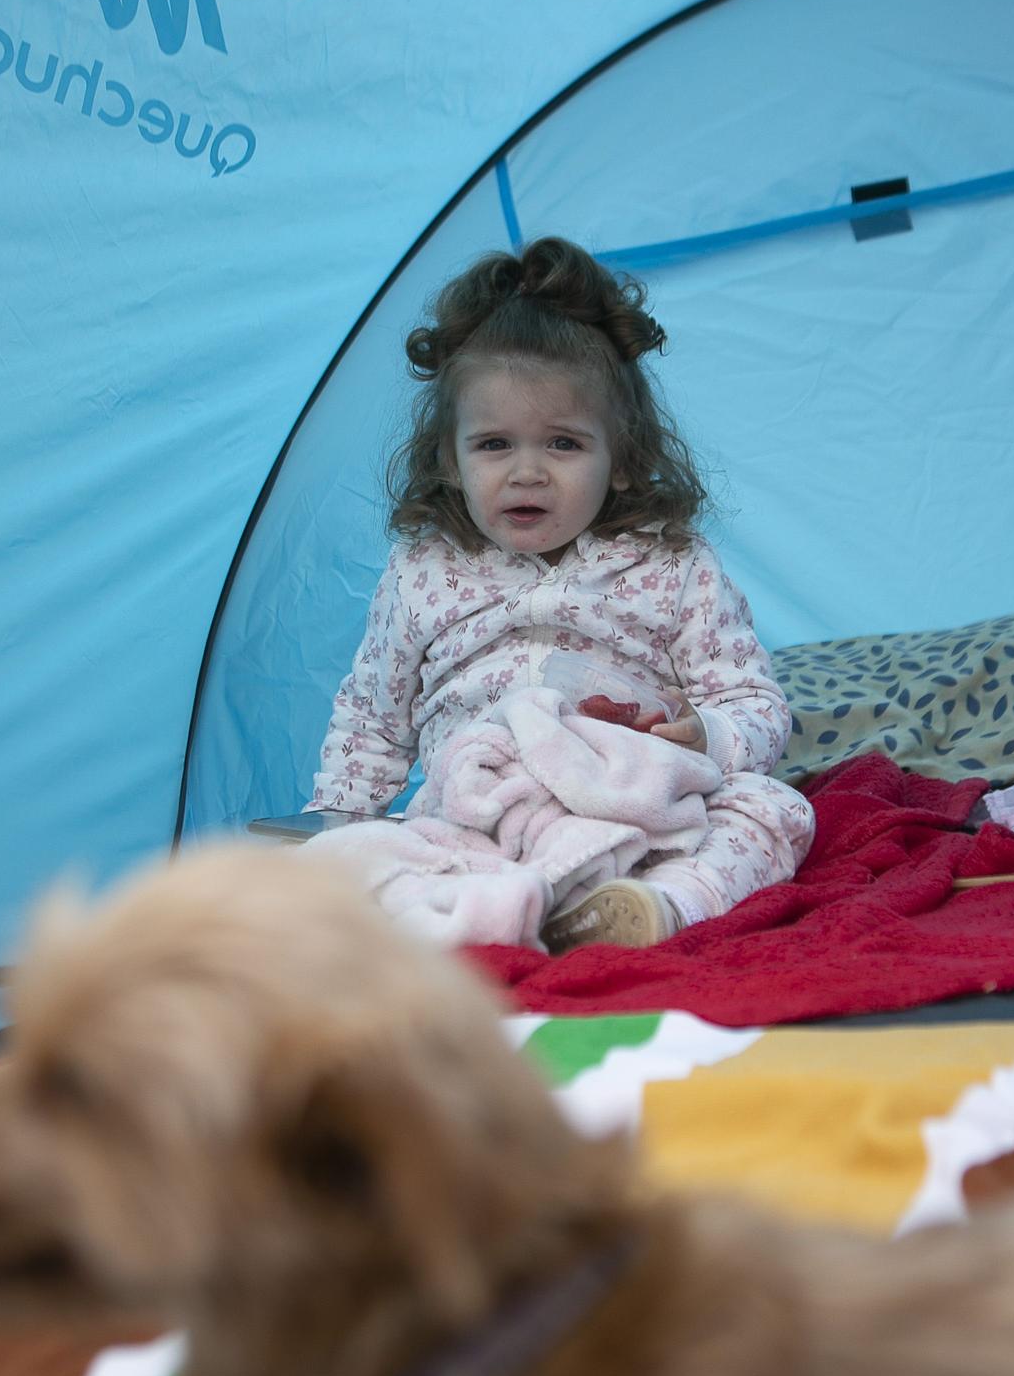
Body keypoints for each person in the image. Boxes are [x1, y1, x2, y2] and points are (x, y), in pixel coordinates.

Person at [307, 236, 813, 950]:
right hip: (477, 822)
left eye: (564, 445)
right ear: (449, 459)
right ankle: (495, 909)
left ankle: (658, 907)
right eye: (494, 445)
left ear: (625, 459)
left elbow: (754, 703)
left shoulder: (673, 567)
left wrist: (709, 733)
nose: (527, 473)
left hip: (634, 818)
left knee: (775, 808)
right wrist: (339, 823)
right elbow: (372, 720)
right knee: (366, 858)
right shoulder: (423, 573)